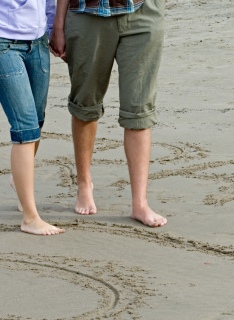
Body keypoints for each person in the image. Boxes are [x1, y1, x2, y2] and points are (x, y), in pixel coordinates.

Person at [50, 0, 167, 228]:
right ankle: (84, 183)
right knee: (85, 105)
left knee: (138, 109)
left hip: (142, 14)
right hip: (86, 13)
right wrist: (58, 24)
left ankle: (139, 203)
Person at [0, 0, 64, 235]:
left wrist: (53, 30)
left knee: (37, 121)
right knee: (25, 128)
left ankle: (18, 181)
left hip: (38, 43)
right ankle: (30, 218)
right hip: (1, 44)